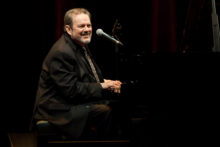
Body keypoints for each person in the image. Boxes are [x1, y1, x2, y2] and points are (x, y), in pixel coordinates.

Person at [32, 8, 122, 139]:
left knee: (118, 105)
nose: (86, 29)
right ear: (68, 29)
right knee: (104, 111)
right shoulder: (62, 52)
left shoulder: (79, 45)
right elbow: (71, 90)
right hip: (58, 109)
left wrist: (107, 83)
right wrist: (102, 86)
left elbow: (85, 76)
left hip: (69, 101)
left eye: (88, 25)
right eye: (81, 26)